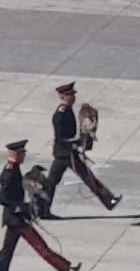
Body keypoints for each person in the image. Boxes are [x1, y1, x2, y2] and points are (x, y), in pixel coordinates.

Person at [0, 140, 79, 271]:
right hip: (16, 220)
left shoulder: (14, 169)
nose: (24, 156)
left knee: (7, 252)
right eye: (22, 153)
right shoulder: (10, 173)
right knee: (40, 247)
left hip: (16, 219)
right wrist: (20, 207)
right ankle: (66, 269)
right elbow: (3, 199)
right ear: (16, 154)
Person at [39, 82, 120, 218]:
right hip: (65, 154)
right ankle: (109, 201)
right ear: (62, 97)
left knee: (53, 182)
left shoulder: (68, 110)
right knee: (85, 177)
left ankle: (43, 210)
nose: (73, 97)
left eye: (73, 95)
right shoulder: (60, 115)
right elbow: (61, 137)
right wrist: (77, 142)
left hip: (66, 153)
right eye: (70, 95)